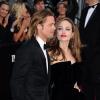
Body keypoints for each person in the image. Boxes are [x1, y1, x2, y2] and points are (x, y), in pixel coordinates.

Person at [10, 9, 55, 100]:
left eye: (54, 24)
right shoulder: (27, 49)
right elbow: (16, 83)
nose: (54, 28)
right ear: (39, 26)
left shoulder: (43, 47)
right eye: (51, 25)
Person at [47, 17, 84, 100]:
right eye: (60, 29)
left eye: (67, 29)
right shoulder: (50, 53)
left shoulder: (75, 53)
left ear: (72, 34)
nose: (63, 32)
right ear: (56, 32)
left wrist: (77, 86)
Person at [79, 0, 100, 100]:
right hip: (84, 60)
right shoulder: (83, 11)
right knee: (86, 92)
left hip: (97, 61)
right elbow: (81, 34)